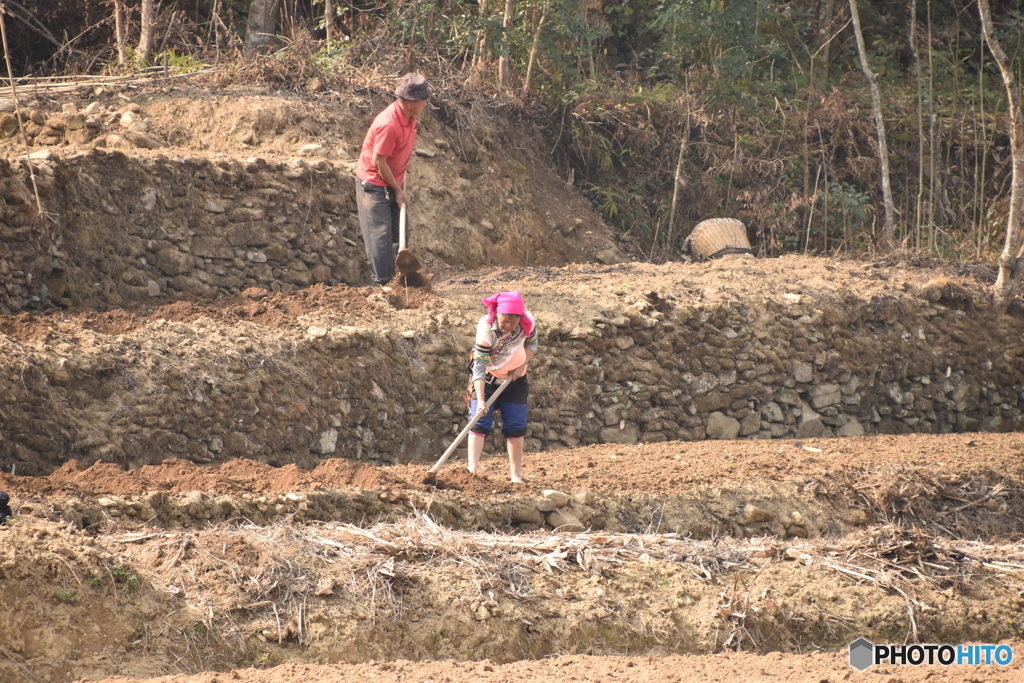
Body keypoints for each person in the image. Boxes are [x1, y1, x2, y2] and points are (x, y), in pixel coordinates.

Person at [354, 73, 430, 290]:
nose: (425, 103)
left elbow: (397, 151)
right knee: (380, 236)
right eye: (422, 100)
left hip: (392, 178)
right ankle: (384, 285)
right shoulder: (388, 124)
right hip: (373, 184)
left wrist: (403, 166)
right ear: (408, 102)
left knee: (400, 234)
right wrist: (398, 190)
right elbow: (378, 162)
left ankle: (401, 280)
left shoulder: (410, 119)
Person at [467, 290, 538, 483]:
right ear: (497, 314)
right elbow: (479, 367)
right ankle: (471, 473)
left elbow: (532, 345)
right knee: (478, 422)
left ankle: (516, 476)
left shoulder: (527, 324)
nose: (508, 325)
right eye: (505, 320)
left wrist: (521, 366)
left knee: (515, 427)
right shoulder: (486, 329)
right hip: (487, 379)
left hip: (516, 382)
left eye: (513, 322)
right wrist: (481, 399)